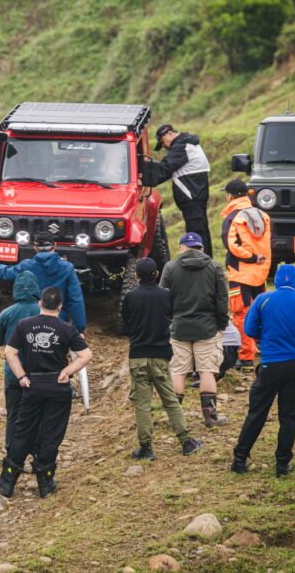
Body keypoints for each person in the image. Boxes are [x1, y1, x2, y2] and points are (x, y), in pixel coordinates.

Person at [0, 287, 92, 498]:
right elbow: (85, 355)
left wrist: (21, 377)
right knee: (51, 433)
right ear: (60, 306)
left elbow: (9, 353)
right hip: (58, 387)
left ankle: (7, 482)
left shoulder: (25, 326)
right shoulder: (67, 329)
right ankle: (45, 484)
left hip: (32, 385)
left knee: (23, 431)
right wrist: (67, 371)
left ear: (40, 303)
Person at [231, 264, 295, 477]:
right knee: (289, 416)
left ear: (277, 280)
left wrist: (265, 338)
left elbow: (249, 329)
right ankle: (282, 464)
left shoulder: (263, 300)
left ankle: (239, 459)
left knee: (257, 413)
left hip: (269, 364)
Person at [122, 258, 204, 460]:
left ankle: (146, 448)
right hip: (161, 356)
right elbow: (172, 315)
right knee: (170, 401)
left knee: (142, 404)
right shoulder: (166, 295)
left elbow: (124, 326)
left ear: (136, 276)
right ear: (157, 274)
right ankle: (186, 442)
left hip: (138, 356)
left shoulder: (130, 296)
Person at [160, 232, 230, 428]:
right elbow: (222, 300)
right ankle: (210, 417)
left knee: (178, 371)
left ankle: (174, 419)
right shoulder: (214, 266)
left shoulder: (170, 267)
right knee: (207, 371)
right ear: (202, 248)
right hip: (207, 328)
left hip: (179, 327)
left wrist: (168, 323)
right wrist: (222, 325)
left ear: (182, 247)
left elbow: (163, 298)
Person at [0, 232, 86, 332]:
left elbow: (10, 272)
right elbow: (76, 300)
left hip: (32, 322)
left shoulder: (27, 265)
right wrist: (79, 328)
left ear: (35, 248)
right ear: (55, 245)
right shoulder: (67, 268)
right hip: (59, 322)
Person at [220, 179, 272, 368]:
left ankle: (246, 357)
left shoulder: (233, 216)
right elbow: (267, 245)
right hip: (260, 273)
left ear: (231, 196)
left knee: (241, 314)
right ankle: (263, 349)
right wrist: (259, 260)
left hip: (240, 273)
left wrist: (249, 257)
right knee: (261, 312)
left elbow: (231, 245)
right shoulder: (262, 215)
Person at [0, 272, 41, 453]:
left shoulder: (7, 313)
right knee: (37, 415)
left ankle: (12, 451)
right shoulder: (43, 311)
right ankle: (36, 452)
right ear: (37, 289)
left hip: (13, 373)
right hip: (38, 374)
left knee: (13, 414)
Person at [152, 124, 213, 257]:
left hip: (191, 198)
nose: (164, 147)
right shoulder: (189, 144)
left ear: (168, 134)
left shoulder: (182, 146)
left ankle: (200, 265)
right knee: (202, 232)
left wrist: (145, 177)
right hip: (196, 197)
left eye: (163, 142)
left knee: (196, 234)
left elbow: (165, 168)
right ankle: (207, 262)